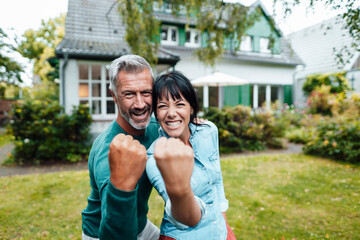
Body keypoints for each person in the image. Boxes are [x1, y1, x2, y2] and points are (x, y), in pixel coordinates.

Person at [81, 55, 203, 240]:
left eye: (146, 93)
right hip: (105, 232)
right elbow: (115, 232)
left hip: (140, 224)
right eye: (129, 94)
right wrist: (121, 184)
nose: (140, 104)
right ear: (114, 95)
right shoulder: (108, 153)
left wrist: (193, 126)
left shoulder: (155, 127)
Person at [146, 71, 236, 240]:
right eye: (163, 106)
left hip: (221, 231)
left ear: (191, 107)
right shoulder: (154, 158)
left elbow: (216, 180)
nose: (171, 113)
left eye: (179, 104)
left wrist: (223, 222)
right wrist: (179, 188)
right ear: (156, 114)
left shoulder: (208, 131)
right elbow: (184, 217)